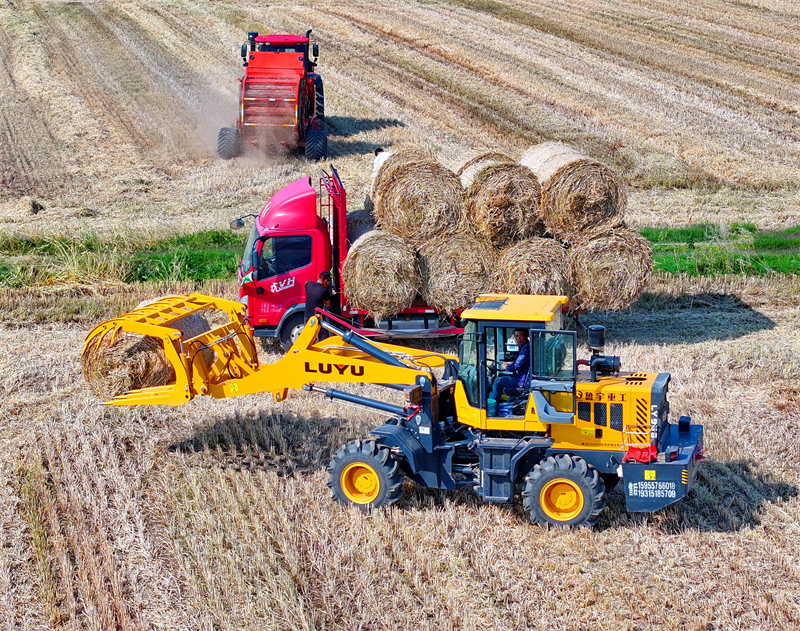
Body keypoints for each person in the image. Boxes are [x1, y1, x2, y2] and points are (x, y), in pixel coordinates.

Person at [489, 329, 530, 408]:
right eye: (516, 336)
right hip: (523, 376)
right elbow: (521, 362)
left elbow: (517, 366)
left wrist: (506, 367)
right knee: (501, 375)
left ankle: (491, 406)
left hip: (523, 381)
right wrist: (511, 363)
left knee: (498, 381)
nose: (518, 339)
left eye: (521, 336)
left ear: (527, 335)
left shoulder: (526, 348)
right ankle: (508, 401)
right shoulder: (526, 346)